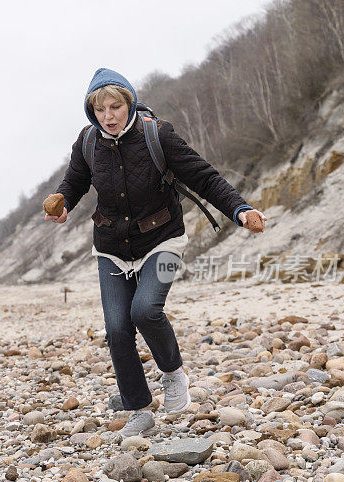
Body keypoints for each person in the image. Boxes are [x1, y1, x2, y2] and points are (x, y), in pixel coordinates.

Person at [46, 68, 266, 437]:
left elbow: (204, 177)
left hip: (163, 240)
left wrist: (239, 210)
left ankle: (173, 372)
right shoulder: (87, 142)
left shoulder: (157, 134)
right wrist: (64, 201)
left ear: (129, 103)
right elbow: (75, 181)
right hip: (111, 249)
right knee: (117, 330)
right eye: (100, 110)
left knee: (145, 311)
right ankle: (138, 409)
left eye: (115, 106)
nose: (108, 116)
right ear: (92, 112)